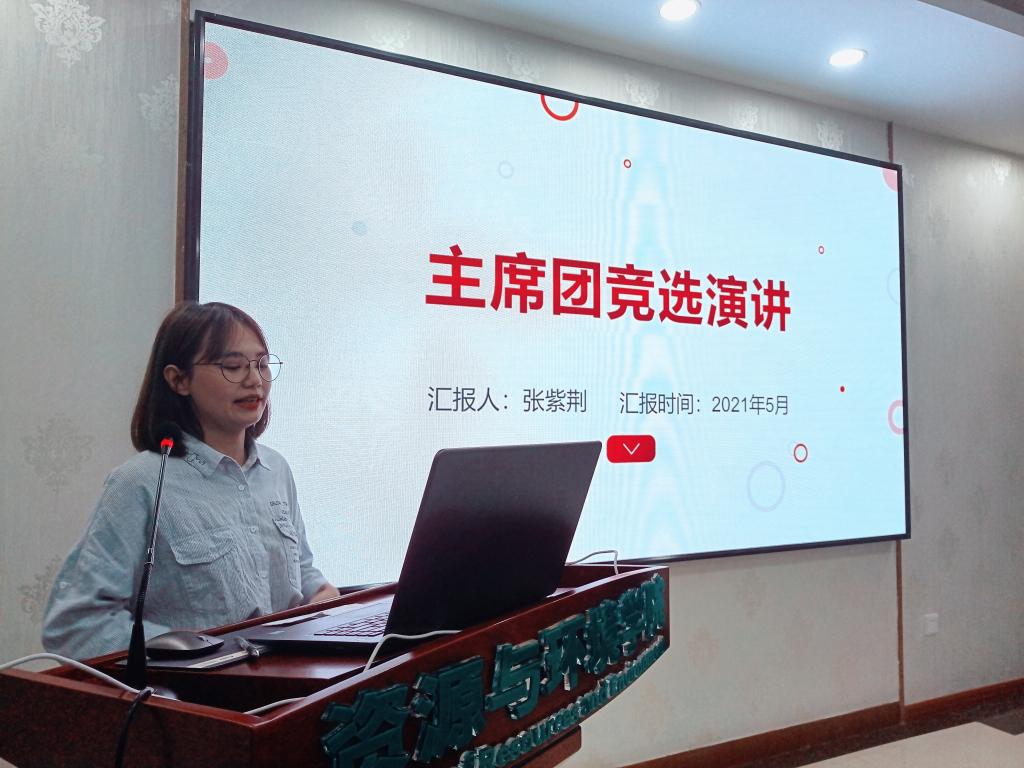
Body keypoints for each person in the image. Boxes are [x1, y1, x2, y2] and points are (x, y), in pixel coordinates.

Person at [42, 301, 339, 659]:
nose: (254, 380)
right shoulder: (140, 483)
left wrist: (323, 597)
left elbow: (302, 573)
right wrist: (197, 650)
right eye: (232, 366)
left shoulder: (276, 469)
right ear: (178, 380)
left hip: (287, 677)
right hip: (201, 688)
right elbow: (75, 626)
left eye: (262, 364)